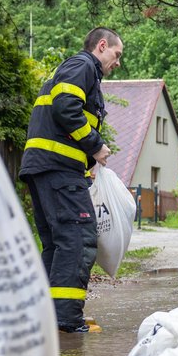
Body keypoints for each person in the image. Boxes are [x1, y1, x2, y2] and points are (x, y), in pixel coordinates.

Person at [20, 28, 120, 333]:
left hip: (48, 168)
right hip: (57, 168)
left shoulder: (77, 70)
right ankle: (65, 319)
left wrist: (87, 161)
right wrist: (95, 145)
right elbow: (66, 107)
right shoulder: (83, 66)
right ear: (102, 46)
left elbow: (63, 116)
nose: (117, 63)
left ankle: (48, 316)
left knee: (57, 243)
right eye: (116, 55)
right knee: (78, 238)